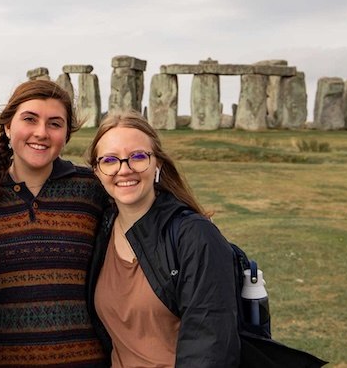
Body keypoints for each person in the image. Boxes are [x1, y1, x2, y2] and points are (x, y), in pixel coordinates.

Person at [0, 79, 109, 367]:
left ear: (66, 134)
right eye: (30, 119)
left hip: (86, 360)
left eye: (55, 123)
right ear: (7, 126)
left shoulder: (91, 189)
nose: (41, 132)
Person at [85, 110, 241, 367]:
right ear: (97, 171)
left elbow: (210, 348)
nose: (124, 170)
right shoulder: (101, 230)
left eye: (137, 157)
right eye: (110, 160)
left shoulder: (195, 235)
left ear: (157, 163)